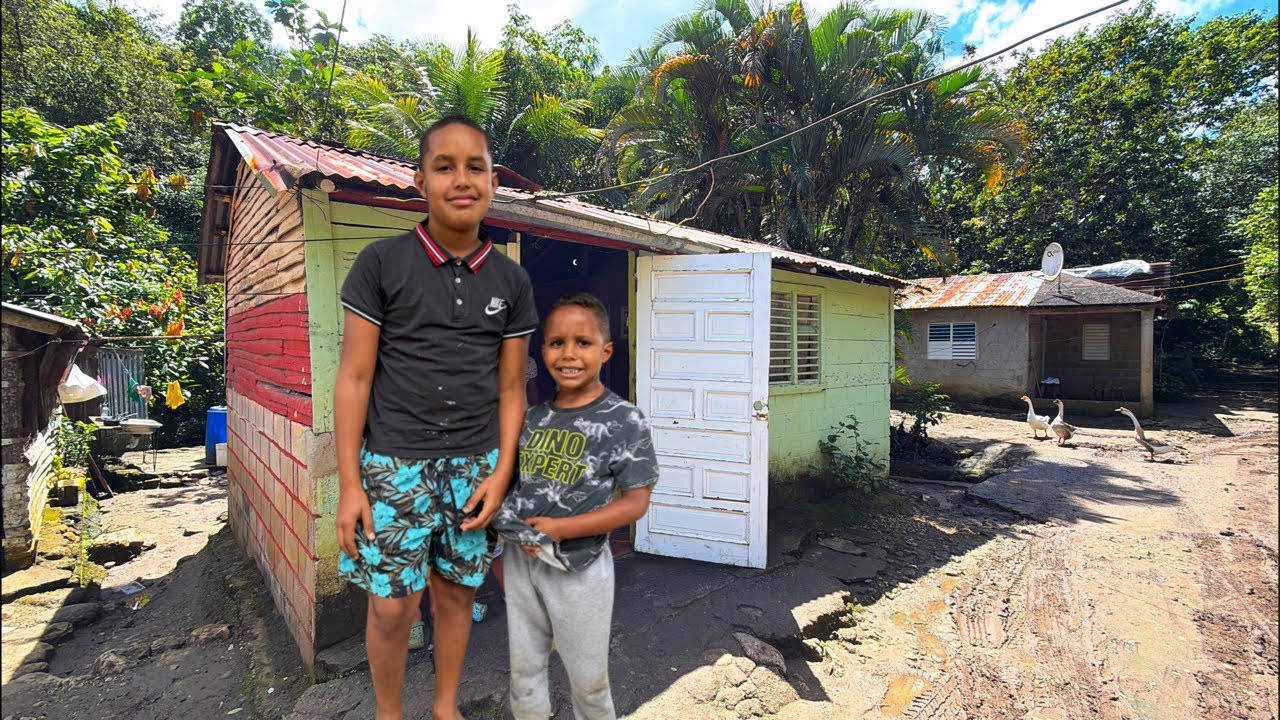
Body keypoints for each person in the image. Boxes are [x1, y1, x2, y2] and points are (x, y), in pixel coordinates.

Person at [333, 115, 537, 720]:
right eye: (443, 166)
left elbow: (510, 387)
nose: (460, 179)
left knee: (456, 594)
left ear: (492, 183)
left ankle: (445, 708)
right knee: (393, 605)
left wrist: (502, 474)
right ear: (420, 180)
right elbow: (354, 377)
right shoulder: (381, 264)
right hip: (394, 466)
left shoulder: (511, 279)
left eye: (474, 166)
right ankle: (389, 713)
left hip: (475, 467)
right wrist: (350, 486)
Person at [491, 292, 658, 720]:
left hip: (579, 568)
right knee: (524, 672)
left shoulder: (625, 420)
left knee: (589, 682)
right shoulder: (532, 419)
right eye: (555, 342)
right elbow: (514, 484)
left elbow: (636, 503)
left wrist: (563, 528)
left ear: (605, 351)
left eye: (582, 343)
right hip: (522, 561)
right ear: (542, 350)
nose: (568, 354)